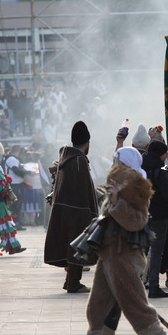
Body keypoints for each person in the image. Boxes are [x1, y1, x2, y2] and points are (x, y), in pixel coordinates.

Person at [68, 147, 168, 335]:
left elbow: (137, 221)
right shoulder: (118, 183)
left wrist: (117, 200)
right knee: (97, 308)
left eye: (117, 159)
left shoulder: (137, 186)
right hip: (108, 256)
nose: (114, 162)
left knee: (136, 306)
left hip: (124, 257)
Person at [44, 121, 99, 294]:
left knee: (71, 245)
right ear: (87, 143)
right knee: (77, 246)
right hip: (77, 209)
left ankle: (69, 281)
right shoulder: (79, 161)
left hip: (65, 209)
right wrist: (89, 212)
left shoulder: (66, 158)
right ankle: (74, 283)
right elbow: (82, 190)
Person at [142, 140, 168, 298]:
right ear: (160, 153)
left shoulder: (140, 168)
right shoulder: (161, 170)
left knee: (143, 251)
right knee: (157, 252)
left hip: (144, 214)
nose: (166, 156)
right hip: (159, 216)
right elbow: (167, 193)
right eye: (165, 153)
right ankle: (153, 286)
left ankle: (138, 284)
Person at [0, 143, 25, 255]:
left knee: (1, 224)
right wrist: (4, 184)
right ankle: (10, 246)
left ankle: (11, 246)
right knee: (0, 224)